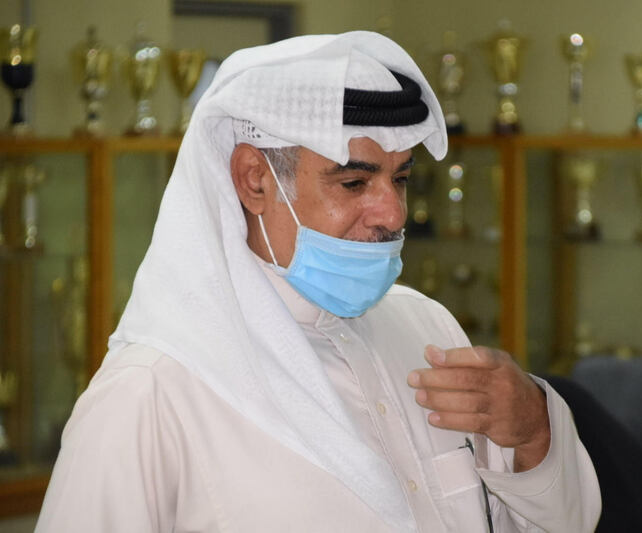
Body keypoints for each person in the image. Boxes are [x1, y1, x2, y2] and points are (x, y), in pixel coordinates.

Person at [36, 31, 600, 532]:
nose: (392, 213)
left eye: (400, 179)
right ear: (254, 180)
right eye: (354, 183)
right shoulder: (152, 391)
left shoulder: (429, 329)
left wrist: (535, 434)